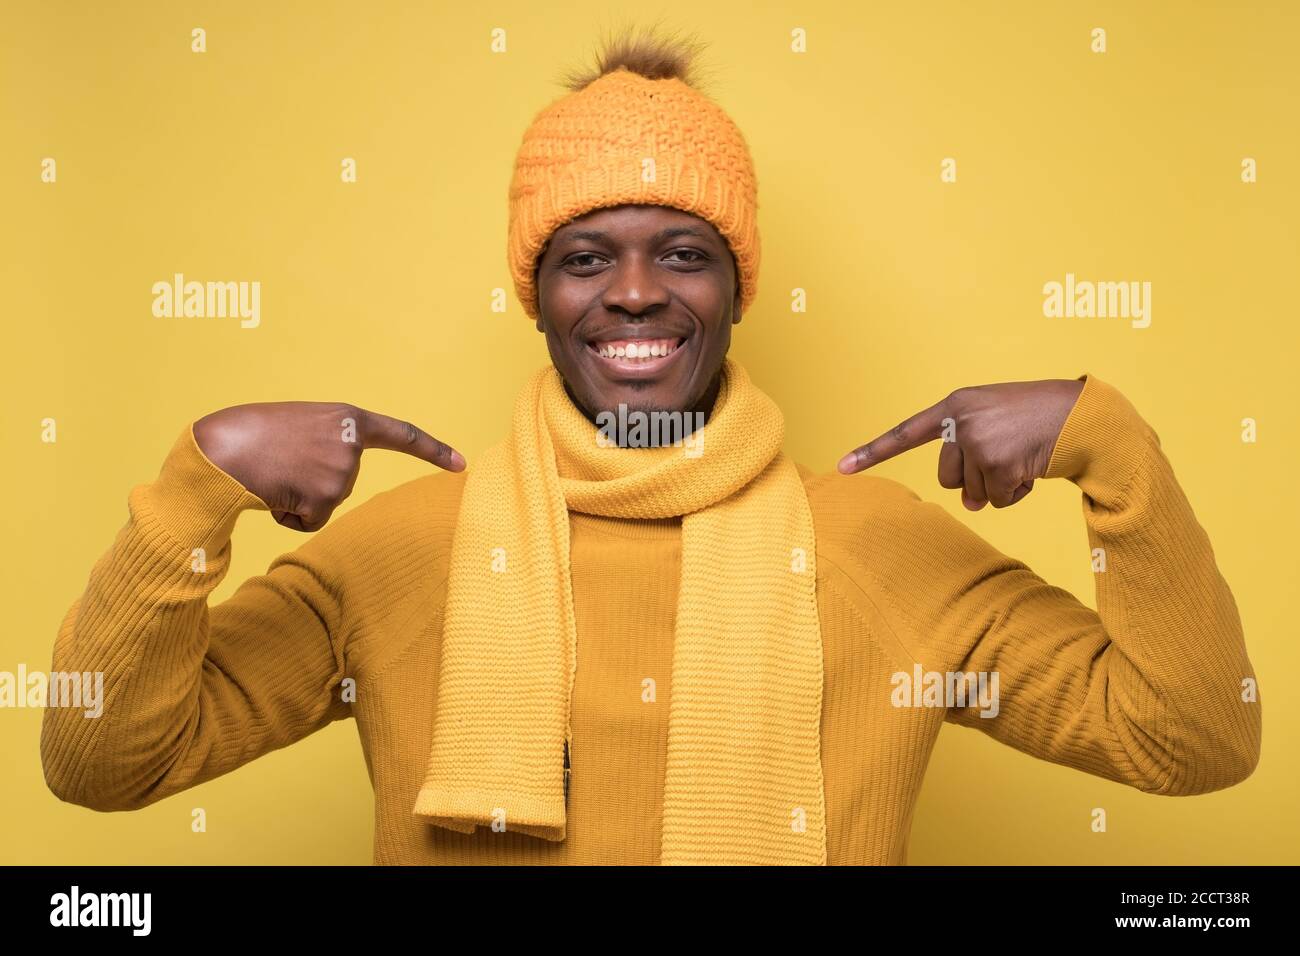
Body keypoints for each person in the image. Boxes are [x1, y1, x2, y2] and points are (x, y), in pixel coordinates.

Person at [41, 30, 1260, 865]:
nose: (634, 293)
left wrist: (1109, 446)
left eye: (683, 251)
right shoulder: (408, 552)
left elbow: (1193, 738)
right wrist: (196, 489)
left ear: (738, 287)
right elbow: (99, 764)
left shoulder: (884, 552)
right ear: (535, 296)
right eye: (585, 256)